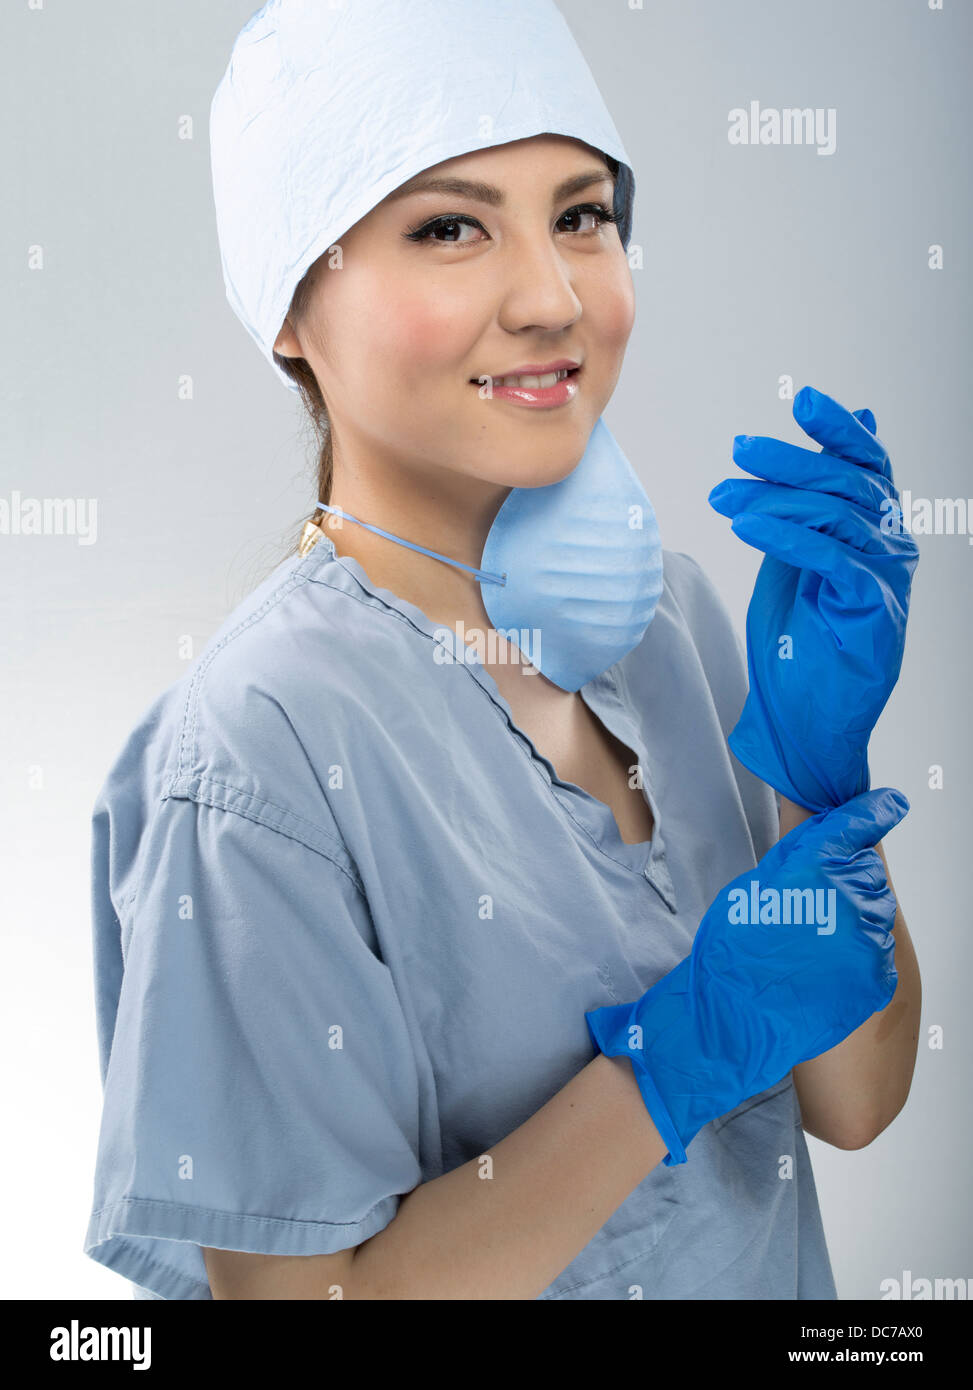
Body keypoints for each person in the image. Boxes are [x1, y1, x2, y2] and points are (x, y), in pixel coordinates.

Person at [82, 0, 920, 1301]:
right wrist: (669, 1058)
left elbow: (854, 1100)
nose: (552, 296)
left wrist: (822, 775)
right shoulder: (259, 751)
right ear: (290, 309)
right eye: (449, 227)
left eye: (580, 215)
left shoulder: (677, 628)